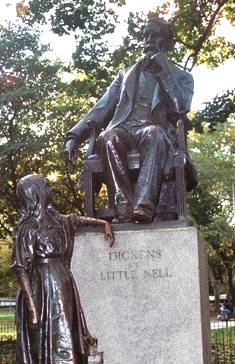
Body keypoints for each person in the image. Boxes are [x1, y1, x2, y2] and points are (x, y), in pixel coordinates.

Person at [65, 17, 196, 223]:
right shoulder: (126, 74)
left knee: (154, 133)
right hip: (125, 128)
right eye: (146, 35)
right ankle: (123, 204)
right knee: (107, 138)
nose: (149, 39)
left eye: (155, 35)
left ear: (167, 42)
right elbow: (101, 107)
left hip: (154, 130)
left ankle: (144, 205)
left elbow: (181, 106)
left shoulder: (181, 76)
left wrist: (164, 72)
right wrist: (74, 136)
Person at [11, 174, 114, 364]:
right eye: (46, 186)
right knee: (50, 336)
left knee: (67, 331)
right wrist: (33, 308)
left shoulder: (57, 220)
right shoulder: (29, 227)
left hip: (62, 282)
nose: (50, 189)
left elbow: (76, 220)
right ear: (36, 193)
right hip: (42, 288)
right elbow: (21, 269)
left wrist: (103, 223)